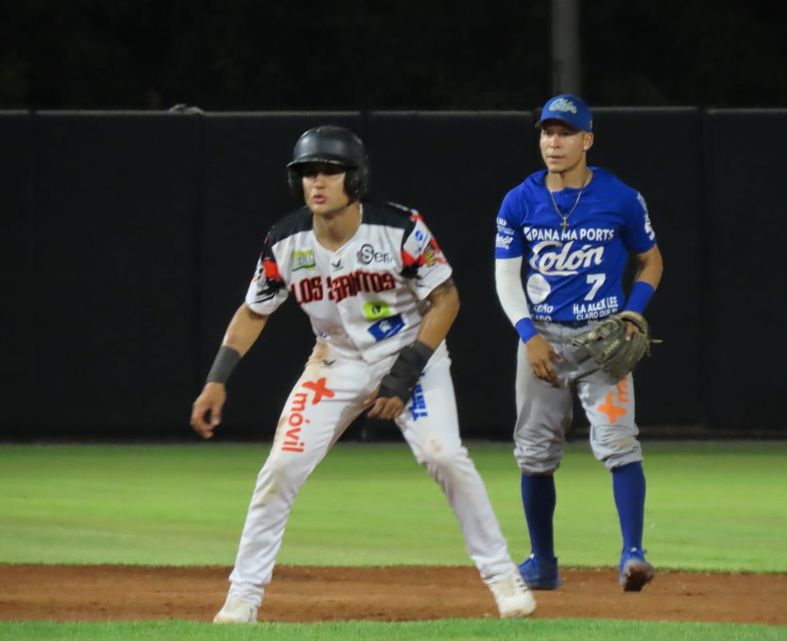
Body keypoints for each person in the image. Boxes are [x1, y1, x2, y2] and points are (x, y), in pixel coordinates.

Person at [190, 125, 536, 622]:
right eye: (308, 172)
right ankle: (243, 596)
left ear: (355, 178)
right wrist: (216, 379)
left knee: (445, 456)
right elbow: (253, 311)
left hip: (410, 355)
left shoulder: (398, 228)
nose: (317, 181)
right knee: (281, 467)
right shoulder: (286, 240)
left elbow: (446, 299)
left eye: (329, 170)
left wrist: (403, 376)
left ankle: (504, 579)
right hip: (334, 361)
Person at [493, 95, 664, 592]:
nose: (553, 142)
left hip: (601, 340)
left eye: (565, 133)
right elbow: (506, 278)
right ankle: (543, 563)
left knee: (617, 441)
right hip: (541, 335)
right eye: (547, 132)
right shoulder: (519, 200)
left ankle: (633, 554)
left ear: (586, 139)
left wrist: (634, 311)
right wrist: (528, 336)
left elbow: (651, 261)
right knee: (534, 453)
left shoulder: (621, 197)